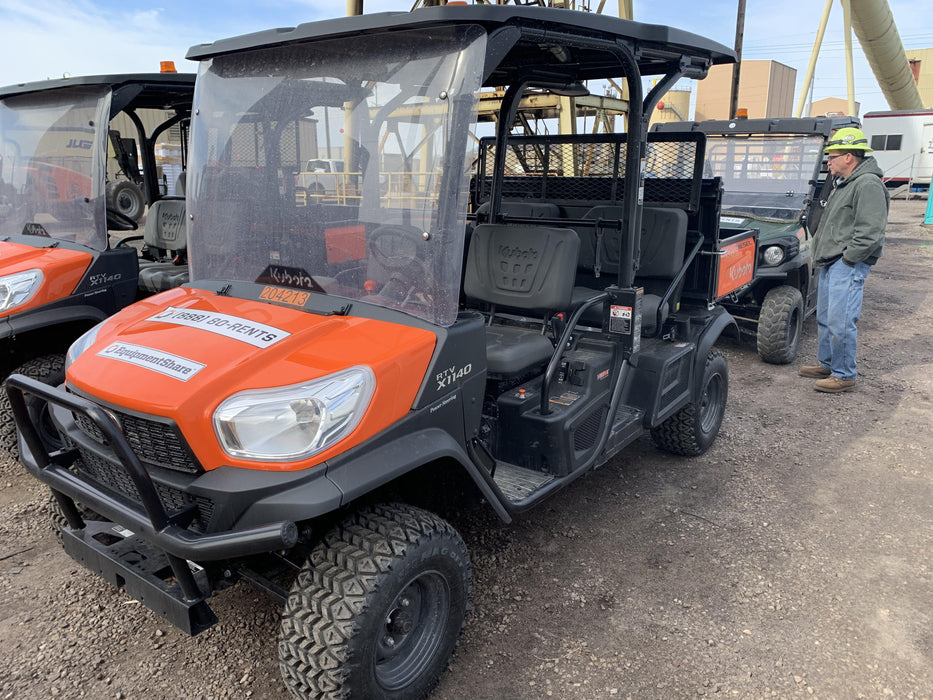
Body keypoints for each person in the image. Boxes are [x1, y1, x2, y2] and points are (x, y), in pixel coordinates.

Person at [799, 126, 889, 393]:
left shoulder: (867, 184)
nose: (829, 161)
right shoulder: (846, 183)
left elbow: (870, 231)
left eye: (833, 156)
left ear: (849, 157)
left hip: (845, 263)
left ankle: (844, 374)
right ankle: (827, 364)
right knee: (826, 317)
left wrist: (849, 259)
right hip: (832, 261)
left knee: (841, 319)